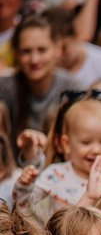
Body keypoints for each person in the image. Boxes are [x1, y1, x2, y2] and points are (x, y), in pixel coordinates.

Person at [27, 94, 101, 226]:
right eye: (86, 142)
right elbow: (25, 204)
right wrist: (24, 185)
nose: (96, 150)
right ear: (67, 144)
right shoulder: (56, 174)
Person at [0, 13, 80, 141]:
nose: (34, 59)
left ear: (58, 49)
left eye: (42, 50)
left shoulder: (73, 89)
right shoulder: (4, 88)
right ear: (15, 53)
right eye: (26, 51)